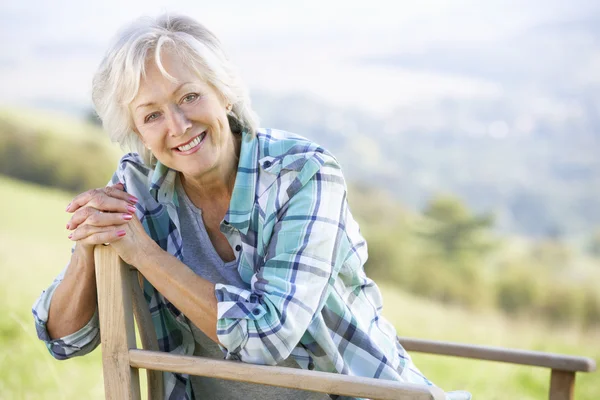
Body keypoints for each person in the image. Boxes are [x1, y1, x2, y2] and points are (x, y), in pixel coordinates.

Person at [32, 14, 470, 400]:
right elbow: (64, 340)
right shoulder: (137, 186)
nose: (178, 126)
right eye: (151, 116)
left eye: (189, 97)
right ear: (136, 133)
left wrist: (142, 253)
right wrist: (92, 246)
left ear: (224, 92)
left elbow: (266, 337)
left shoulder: (303, 174)